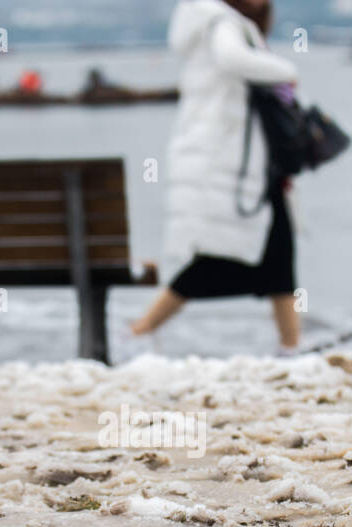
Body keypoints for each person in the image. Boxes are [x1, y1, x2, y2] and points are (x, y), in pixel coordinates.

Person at [130, 0, 303, 354]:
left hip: (243, 168)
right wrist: (286, 70)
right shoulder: (220, 23)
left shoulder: (213, 24)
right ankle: (140, 331)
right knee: (218, 261)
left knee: (276, 258)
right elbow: (233, 59)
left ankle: (293, 346)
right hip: (231, 170)